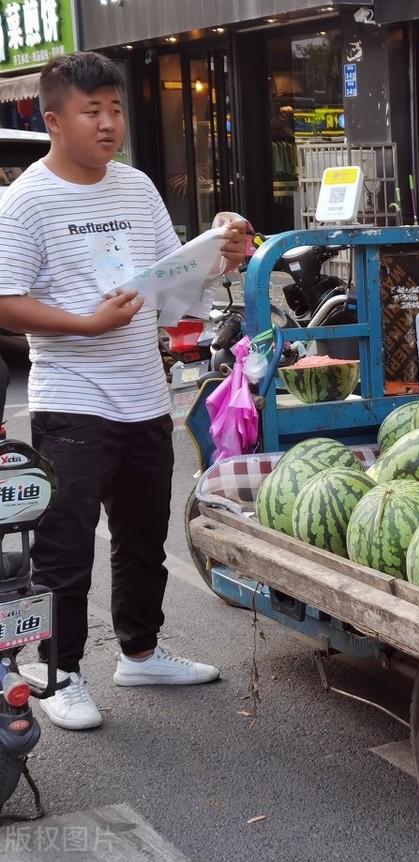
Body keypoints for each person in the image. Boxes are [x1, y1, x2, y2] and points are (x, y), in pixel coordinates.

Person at [0, 52, 249, 731]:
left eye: (114, 110)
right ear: (54, 119)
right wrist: (84, 323)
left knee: (142, 535)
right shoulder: (25, 201)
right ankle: (58, 673)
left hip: (145, 391)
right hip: (72, 396)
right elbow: (4, 301)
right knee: (64, 546)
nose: (109, 124)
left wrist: (218, 257)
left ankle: (139, 650)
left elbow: (170, 286)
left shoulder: (136, 188)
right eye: (92, 111)